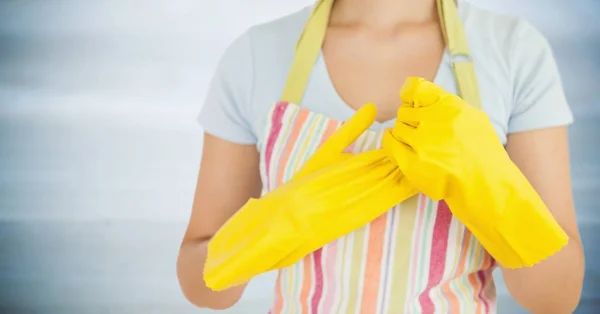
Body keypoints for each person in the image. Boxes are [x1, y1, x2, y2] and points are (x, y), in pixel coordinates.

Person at [176, 0, 585, 313]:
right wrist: (263, 230)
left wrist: (490, 190)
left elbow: (557, 297)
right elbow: (200, 284)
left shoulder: (513, 51)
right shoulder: (256, 54)